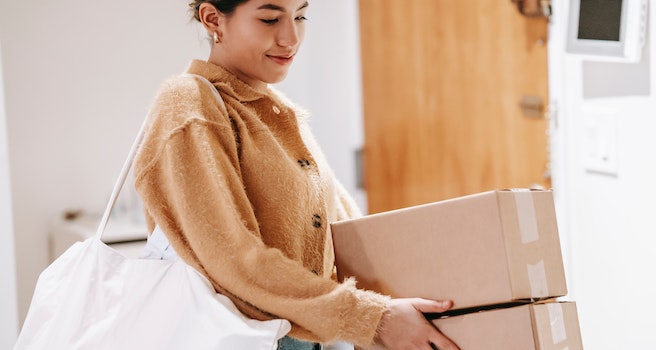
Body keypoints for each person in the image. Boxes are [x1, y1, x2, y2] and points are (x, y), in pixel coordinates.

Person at [133, 1, 461, 349]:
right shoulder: (188, 103)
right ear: (214, 19)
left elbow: (347, 234)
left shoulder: (279, 113)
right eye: (270, 18)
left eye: (300, 16)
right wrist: (375, 319)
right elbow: (233, 260)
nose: (291, 37)